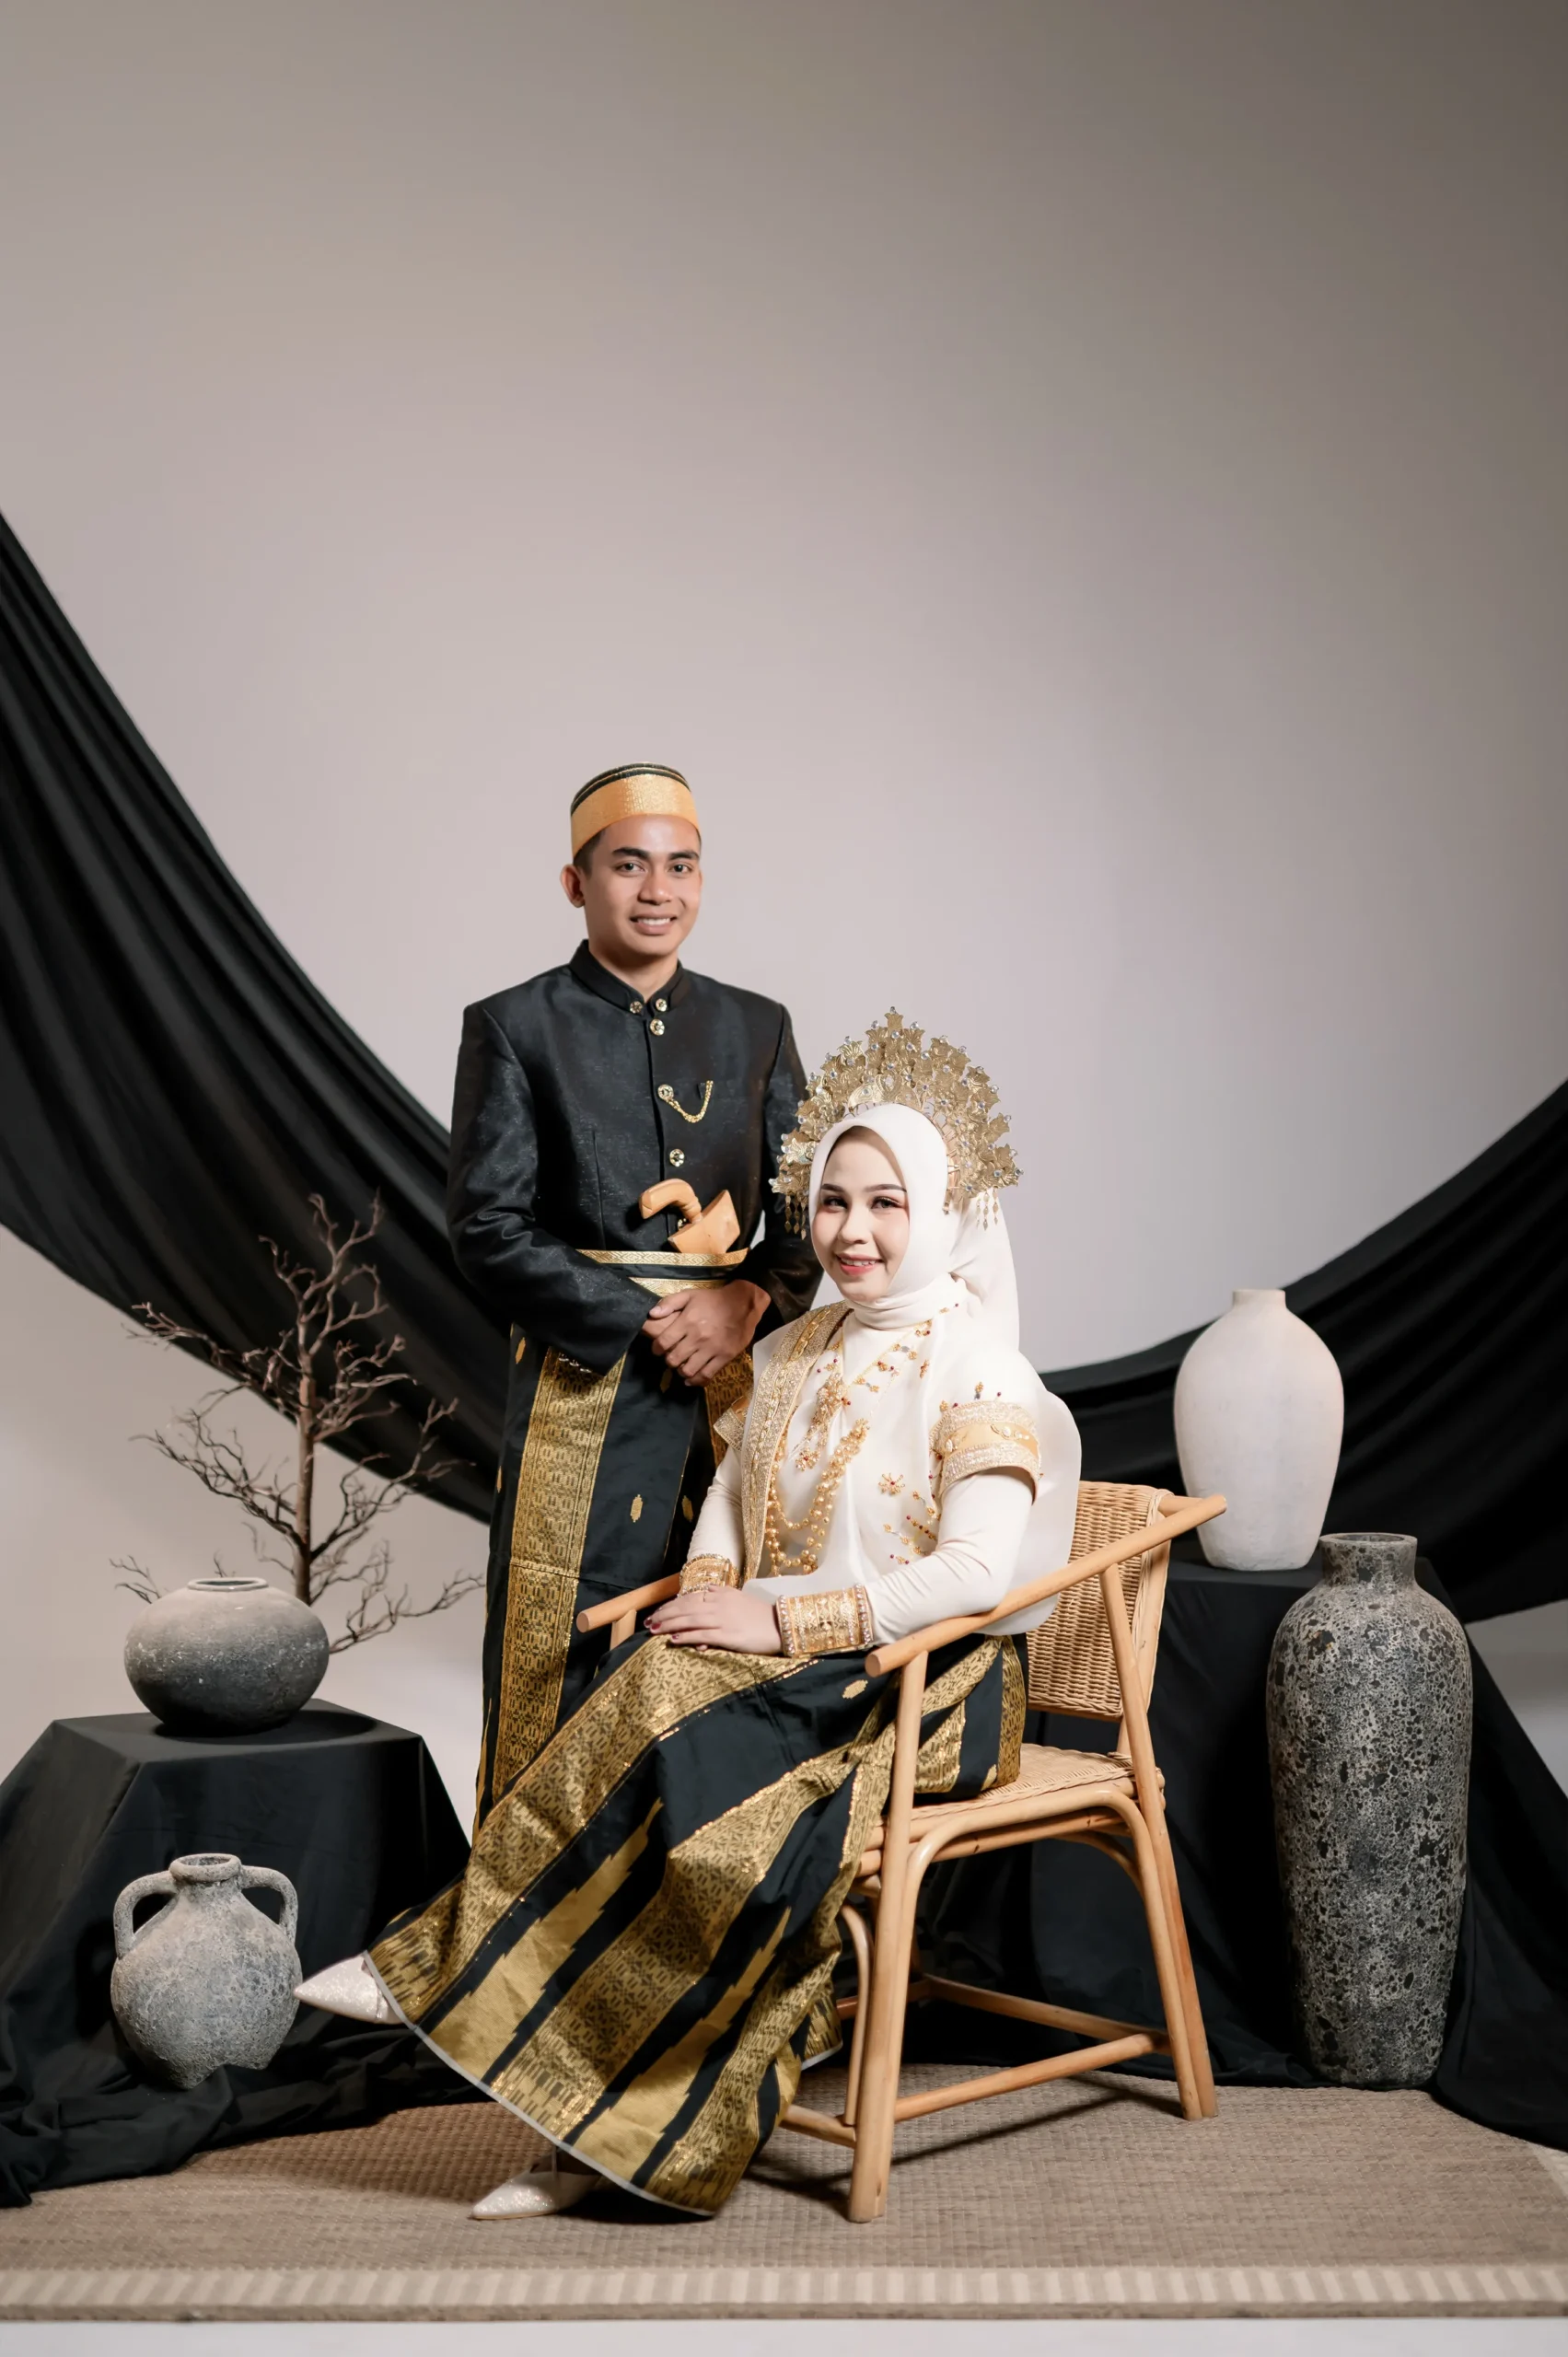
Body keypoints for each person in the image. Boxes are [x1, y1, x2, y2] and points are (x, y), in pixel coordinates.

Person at [298, 1013, 1081, 2221]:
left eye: (885, 1204)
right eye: (831, 1202)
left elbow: (977, 1576)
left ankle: (590, 2088)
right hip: (806, 1655)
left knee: (694, 1772)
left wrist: (782, 1626)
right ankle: (536, 2074)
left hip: (930, 1680)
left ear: (942, 1213)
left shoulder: (979, 1367)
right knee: (646, 1693)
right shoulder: (801, 1345)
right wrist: (714, 1582)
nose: (851, 1232)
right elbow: (729, 1487)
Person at [449, 765, 819, 1816]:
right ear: (576, 883)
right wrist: (642, 1318)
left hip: (737, 1385)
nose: (658, 890)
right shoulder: (515, 1024)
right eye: (628, 865)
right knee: (563, 1631)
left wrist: (746, 1301)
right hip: (583, 1383)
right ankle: (526, 1886)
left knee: (726, 1622)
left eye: (681, 865)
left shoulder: (758, 1026)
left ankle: (695, 1874)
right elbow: (486, 1228)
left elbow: (807, 1218)